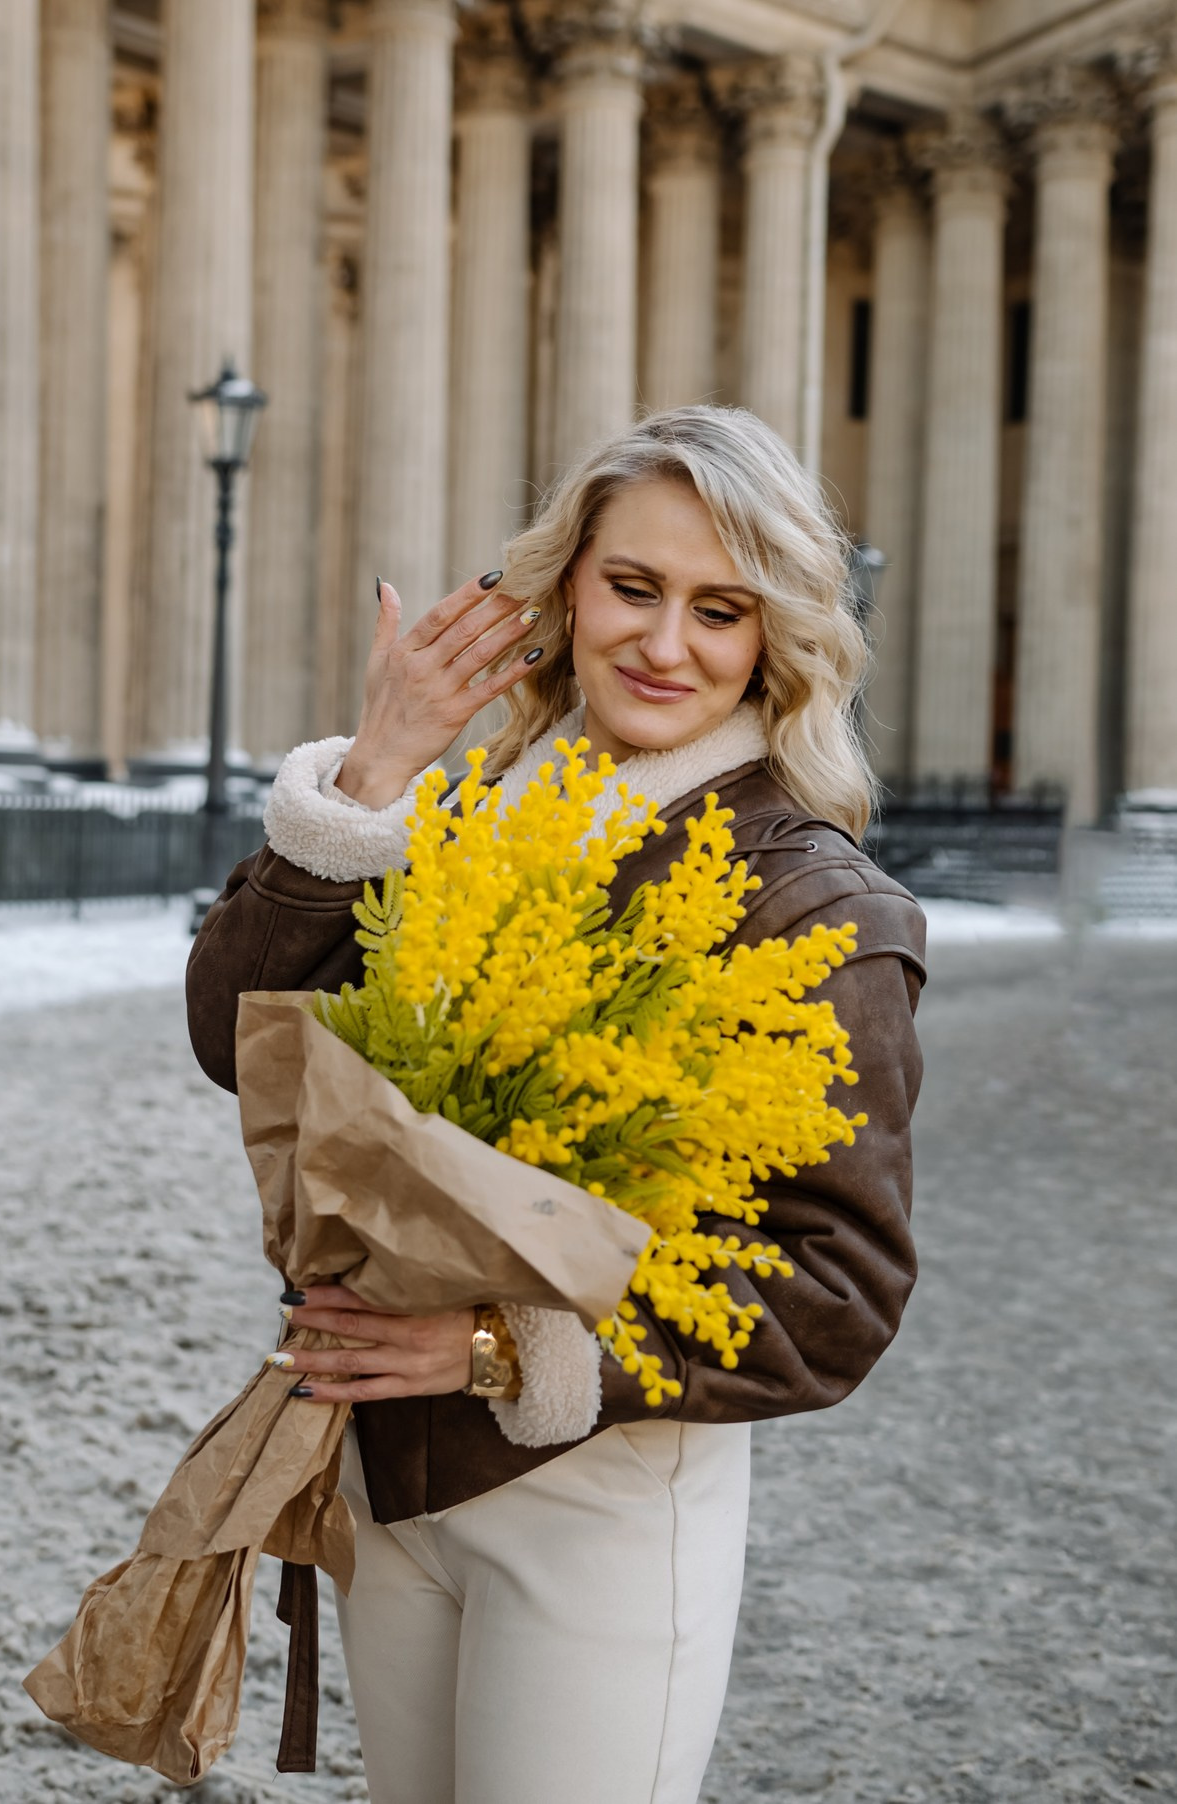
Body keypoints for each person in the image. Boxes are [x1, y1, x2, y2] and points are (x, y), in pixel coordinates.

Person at [186, 404, 927, 1804]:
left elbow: (838, 1290)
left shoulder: (814, 906)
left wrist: (489, 1347)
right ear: (564, 587)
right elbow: (236, 1036)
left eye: (719, 608)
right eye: (632, 588)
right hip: (389, 1481)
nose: (663, 645)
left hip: (601, 1495)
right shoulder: (464, 818)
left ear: (777, 636)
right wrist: (375, 771)